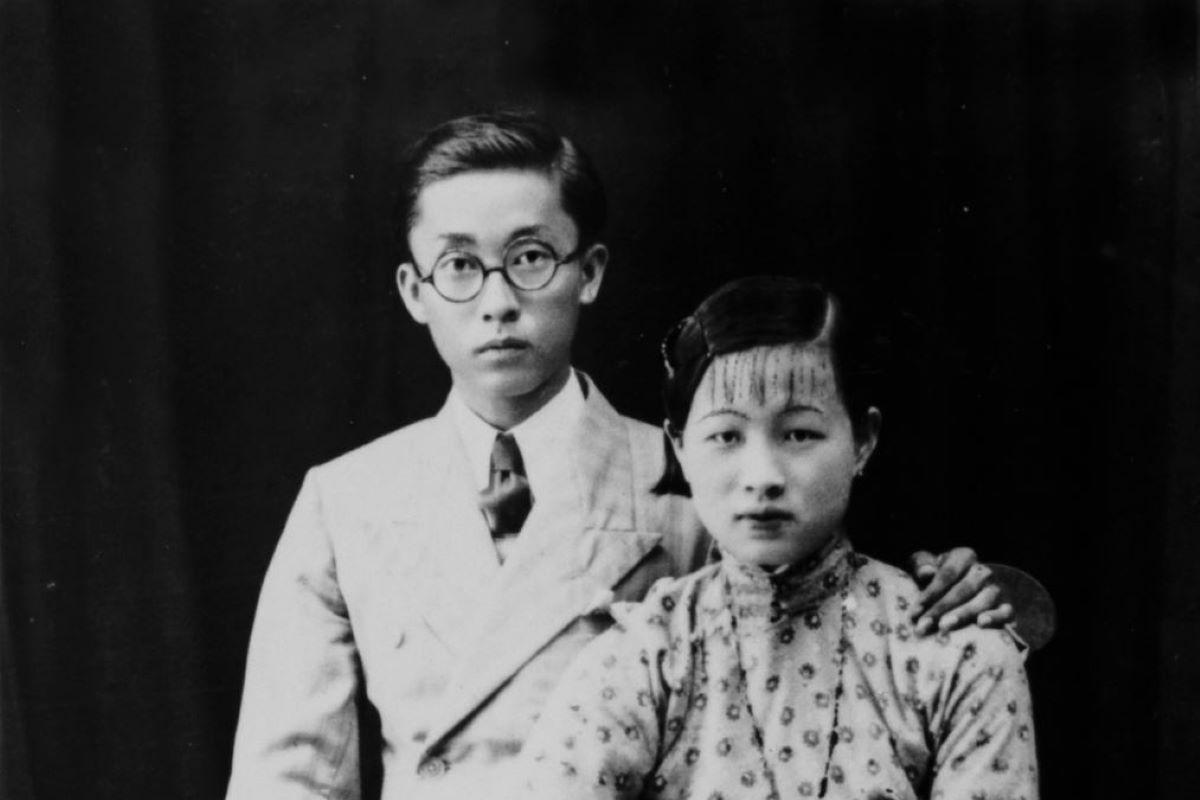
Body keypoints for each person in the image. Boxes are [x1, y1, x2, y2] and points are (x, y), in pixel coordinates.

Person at [225, 113, 1014, 800]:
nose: (497, 302)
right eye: (460, 266)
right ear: (413, 290)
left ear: (590, 272)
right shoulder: (347, 500)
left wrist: (962, 594)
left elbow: (818, 664)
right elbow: (288, 777)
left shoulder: (702, 479)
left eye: (530, 257)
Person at [514, 276, 1039, 799]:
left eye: (799, 434)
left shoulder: (958, 655)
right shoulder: (644, 658)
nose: (762, 475)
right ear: (680, 448)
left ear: (862, 440)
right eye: (726, 436)